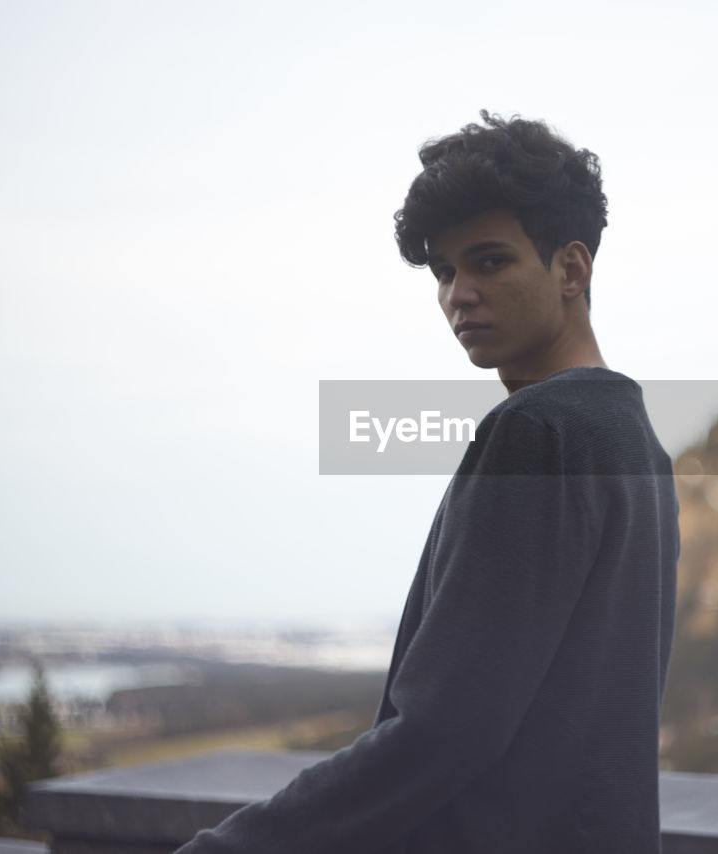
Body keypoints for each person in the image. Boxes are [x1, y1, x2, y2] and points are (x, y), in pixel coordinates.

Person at [174, 111, 679, 853]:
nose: (457, 294)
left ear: (571, 269)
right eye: (444, 271)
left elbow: (444, 734)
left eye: (489, 261)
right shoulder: (635, 437)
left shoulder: (536, 433)